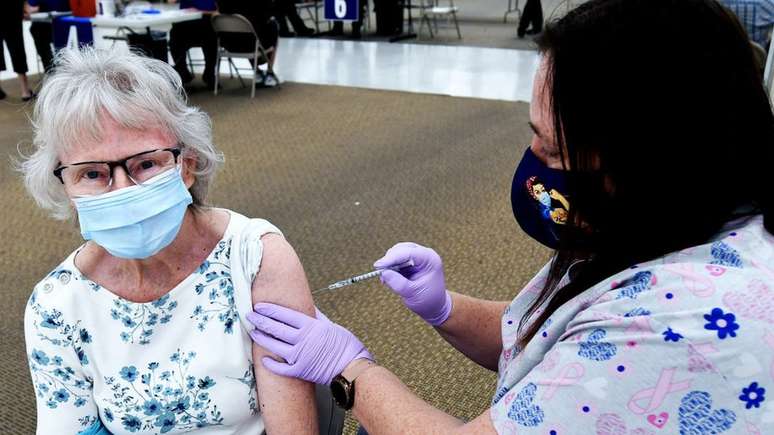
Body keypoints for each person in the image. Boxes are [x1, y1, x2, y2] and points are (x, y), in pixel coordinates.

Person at [246, 0, 774, 433]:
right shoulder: (666, 222)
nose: (533, 159)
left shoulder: (678, 323)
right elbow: (551, 337)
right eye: (535, 132)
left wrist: (347, 371)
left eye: (555, 151)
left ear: (651, 164)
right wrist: (444, 308)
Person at [20, 47, 342, 434]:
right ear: (66, 187)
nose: (123, 190)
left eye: (146, 163)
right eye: (92, 174)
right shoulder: (56, 305)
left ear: (186, 166)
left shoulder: (254, 258)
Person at [167, 0, 219, 89]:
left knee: (210, 36)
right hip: (185, 23)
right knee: (175, 35)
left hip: (207, 22)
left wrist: (200, 12)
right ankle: (183, 73)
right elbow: (170, 1)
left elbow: (219, 13)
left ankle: (209, 74)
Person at [1, 0, 35, 100]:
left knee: (16, 47)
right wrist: (25, 6)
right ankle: (25, 91)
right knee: (17, 47)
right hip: (11, 10)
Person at [25, 0, 71, 73]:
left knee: (36, 30)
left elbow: (31, 9)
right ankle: (55, 68)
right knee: (37, 30)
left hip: (58, 26)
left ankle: (51, 70)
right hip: (66, 25)